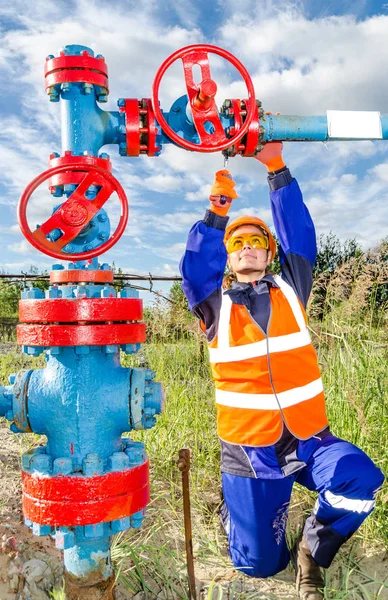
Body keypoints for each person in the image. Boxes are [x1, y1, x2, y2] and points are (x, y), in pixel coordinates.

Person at [179, 143, 384, 600]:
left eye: (257, 242)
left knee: (362, 479)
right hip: (252, 451)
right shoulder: (212, 305)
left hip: (310, 437)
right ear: (229, 258)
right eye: (238, 244)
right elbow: (195, 268)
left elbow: (300, 232)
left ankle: (314, 550)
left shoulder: (292, 288)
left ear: (269, 254)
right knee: (258, 565)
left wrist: (276, 167)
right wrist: (217, 216)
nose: (248, 248)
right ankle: (238, 513)